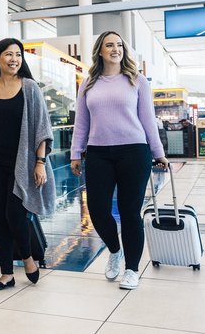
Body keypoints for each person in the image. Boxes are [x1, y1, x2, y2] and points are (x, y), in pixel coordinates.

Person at [70, 31, 168, 291]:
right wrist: (75, 153)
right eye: (109, 45)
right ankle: (114, 250)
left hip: (134, 151)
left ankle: (132, 270)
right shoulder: (89, 82)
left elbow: (148, 119)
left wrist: (158, 152)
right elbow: (82, 121)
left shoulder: (136, 80)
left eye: (119, 45)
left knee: (129, 212)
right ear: (100, 51)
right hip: (99, 152)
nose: (115, 49)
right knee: (98, 210)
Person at [0, 38, 56, 290]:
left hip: (22, 163)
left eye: (18, 54)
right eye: (8, 54)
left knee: (15, 215)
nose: (14, 59)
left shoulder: (29, 87)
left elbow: (42, 128)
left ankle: (28, 258)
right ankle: (6, 273)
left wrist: (39, 162)